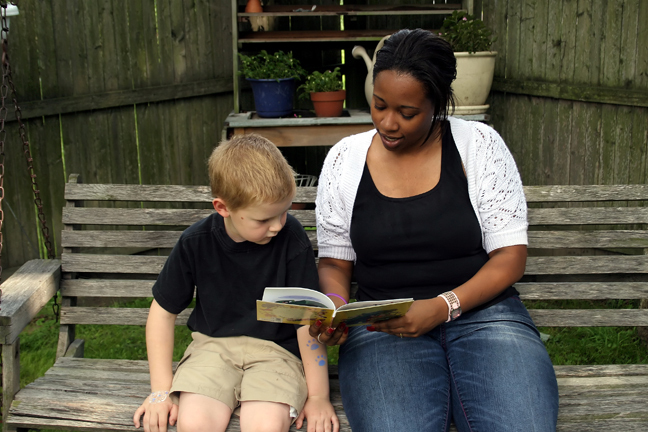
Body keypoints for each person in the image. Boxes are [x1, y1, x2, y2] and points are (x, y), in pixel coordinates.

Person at [311, 29, 559, 432]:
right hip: (382, 326)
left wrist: (442, 306)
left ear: (438, 104)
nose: (388, 123)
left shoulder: (479, 146)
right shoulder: (344, 160)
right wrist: (335, 305)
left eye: (407, 113)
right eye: (379, 105)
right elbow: (335, 261)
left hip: (487, 318)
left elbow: (510, 258)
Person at [133, 134, 338, 432]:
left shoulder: (291, 239)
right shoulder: (195, 242)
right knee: (194, 424)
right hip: (211, 349)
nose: (278, 225)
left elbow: (307, 321)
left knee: (265, 426)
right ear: (223, 207)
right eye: (264, 219)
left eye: (285, 211)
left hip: (276, 354)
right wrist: (160, 392)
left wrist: (319, 396)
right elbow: (162, 313)